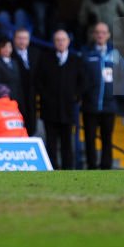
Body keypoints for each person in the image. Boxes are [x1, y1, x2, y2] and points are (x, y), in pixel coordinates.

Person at [34, 30, 84, 169]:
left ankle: (67, 171)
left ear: (68, 41)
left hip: (68, 110)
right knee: (51, 144)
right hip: (49, 110)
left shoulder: (76, 60)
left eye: (63, 39)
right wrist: (46, 97)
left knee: (67, 143)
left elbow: (82, 82)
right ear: (54, 42)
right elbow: (38, 81)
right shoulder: (45, 59)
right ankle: (52, 169)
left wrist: (76, 97)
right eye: (57, 40)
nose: (60, 42)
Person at [81, 22, 121, 170]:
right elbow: (82, 77)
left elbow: (121, 76)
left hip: (109, 105)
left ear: (109, 35)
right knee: (89, 139)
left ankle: (106, 167)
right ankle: (91, 167)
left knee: (107, 138)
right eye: (97, 32)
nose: (100, 35)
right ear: (93, 34)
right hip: (90, 105)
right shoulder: (86, 52)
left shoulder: (115, 53)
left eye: (103, 32)